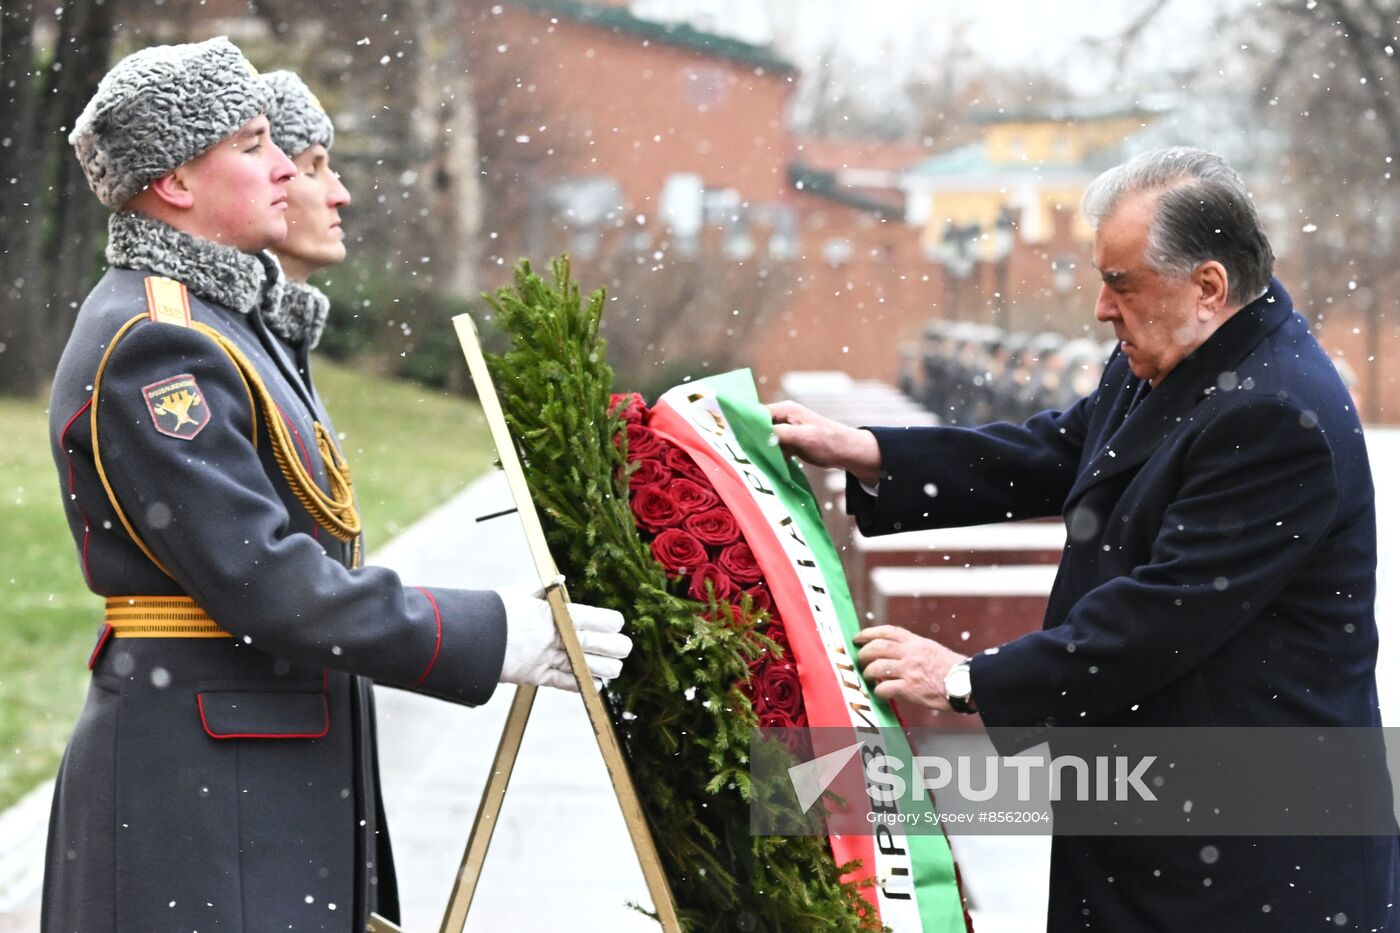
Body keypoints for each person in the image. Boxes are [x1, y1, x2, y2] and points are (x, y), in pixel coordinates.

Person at [45, 38, 630, 931]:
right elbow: (267, 581)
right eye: (251, 145)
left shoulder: (217, 322)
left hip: (250, 764)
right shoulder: (157, 342)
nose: (284, 168)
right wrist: (489, 631)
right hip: (204, 789)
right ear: (174, 182)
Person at [771, 147, 1399, 931]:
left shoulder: (1276, 415)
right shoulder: (1183, 349)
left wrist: (969, 679)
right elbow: (1065, 451)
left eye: (1121, 282)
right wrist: (873, 452)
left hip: (1251, 858)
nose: (1102, 307)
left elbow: (1163, 617)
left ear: (1208, 285)